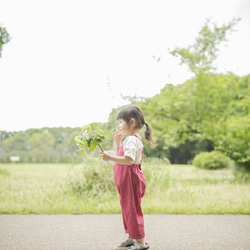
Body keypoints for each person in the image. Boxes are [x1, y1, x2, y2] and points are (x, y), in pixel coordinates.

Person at [101, 105, 155, 250]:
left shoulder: (132, 140)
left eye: (120, 122)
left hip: (130, 179)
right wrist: (118, 142)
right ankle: (133, 237)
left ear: (131, 122)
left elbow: (128, 160)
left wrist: (109, 157)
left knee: (132, 209)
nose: (119, 125)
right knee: (127, 208)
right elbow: (122, 155)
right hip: (127, 180)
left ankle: (141, 243)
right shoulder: (130, 140)